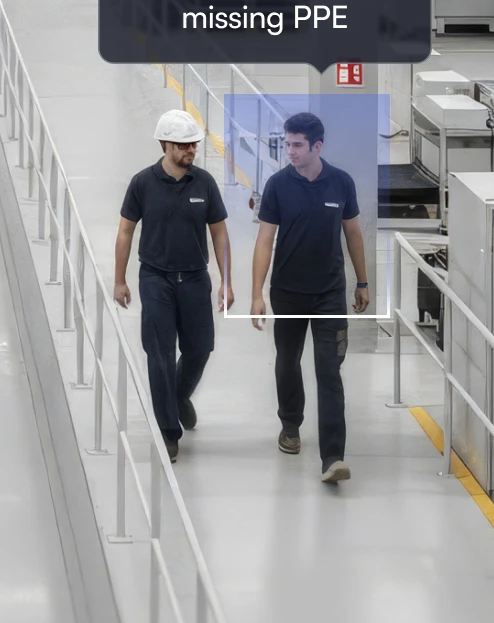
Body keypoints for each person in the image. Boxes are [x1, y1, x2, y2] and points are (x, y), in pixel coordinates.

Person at [250, 111, 369, 485]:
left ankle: (333, 457)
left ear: (317, 146)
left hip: (329, 293)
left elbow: (352, 234)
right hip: (287, 292)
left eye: (297, 145)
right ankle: (290, 425)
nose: (290, 151)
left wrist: (362, 282)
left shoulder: (341, 183)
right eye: (286, 144)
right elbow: (264, 241)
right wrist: (257, 294)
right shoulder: (277, 186)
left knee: (329, 371)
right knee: (288, 362)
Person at [114, 109, 234, 463]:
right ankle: (168, 430)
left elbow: (220, 233)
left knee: (200, 348)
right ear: (165, 144)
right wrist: (119, 279)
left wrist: (226, 281)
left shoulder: (205, 183)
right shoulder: (142, 183)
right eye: (183, 145)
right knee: (160, 355)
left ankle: (180, 396)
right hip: (155, 278)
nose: (191, 151)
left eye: (193, 145)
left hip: (195, 277)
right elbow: (125, 231)